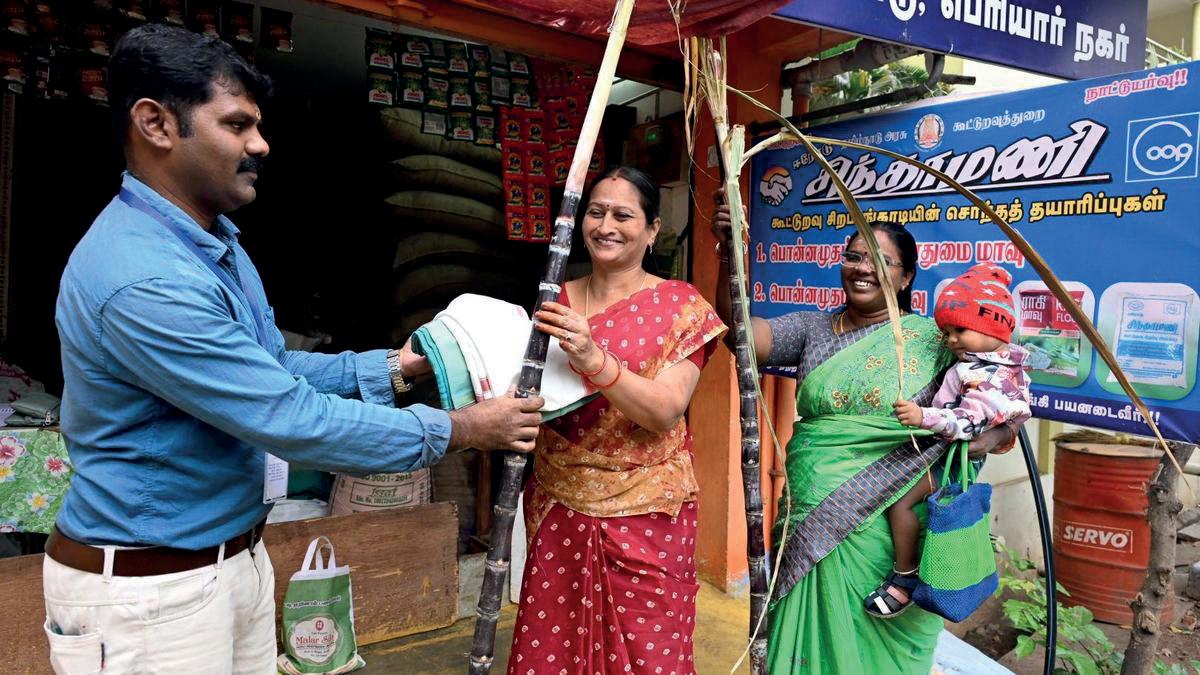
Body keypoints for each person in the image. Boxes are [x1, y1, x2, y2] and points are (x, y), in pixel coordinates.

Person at [45, 24, 542, 674]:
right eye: (237, 124)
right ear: (156, 124)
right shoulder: (144, 278)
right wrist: (461, 428)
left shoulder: (215, 244)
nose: (260, 144)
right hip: (148, 597)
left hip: (230, 560)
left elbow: (268, 369)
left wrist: (396, 366)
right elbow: (290, 419)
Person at [711, 203, 1017, 674]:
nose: (862, 268)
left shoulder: (939, 340)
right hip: (813, 509)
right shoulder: (814, 328)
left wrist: (994, 433)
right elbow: (740, 334)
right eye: (853, 256)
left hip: (895, 532)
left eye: (879, 260)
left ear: (906, 277)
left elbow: (1005, 395)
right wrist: (729, 256)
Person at [507, 166, 727, 674]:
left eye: (624, 215)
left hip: (645, 514)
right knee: (552, 645)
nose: (606, 225)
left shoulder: (681, 306)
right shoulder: (554, 299)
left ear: (652, 230)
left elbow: (664, 410)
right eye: (597, 212)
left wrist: (592, 357)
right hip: (558, 500)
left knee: (648, 652)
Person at [868, 262, 1035, 619]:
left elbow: (969, 421)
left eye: (960, 330)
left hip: (950, 459)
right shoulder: (990, 364)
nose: (951, 340)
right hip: (947, 454)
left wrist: (922, 416)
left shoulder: (987, 375)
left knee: (900, 506)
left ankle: (905, 578)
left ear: (995, 328)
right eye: (946, 332)